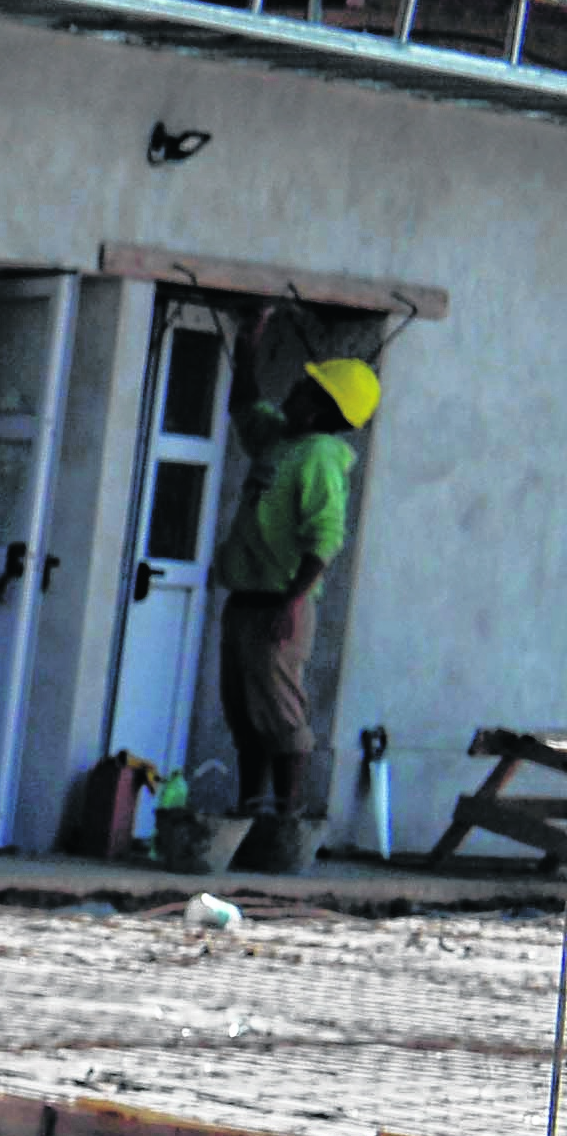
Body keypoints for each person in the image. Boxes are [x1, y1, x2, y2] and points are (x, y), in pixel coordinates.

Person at [214, 352, 378, 879]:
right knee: (245, 714)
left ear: (322, 410)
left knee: (281, 717)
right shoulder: (282, 441)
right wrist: (251, 342)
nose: (293, 393)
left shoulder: (321, 458)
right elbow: (244, 405)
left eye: (307, 391)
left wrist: (292, 603)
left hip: (279, 603)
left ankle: (286, 823)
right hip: (248, 599)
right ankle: (251, 816)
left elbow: (324, 540)